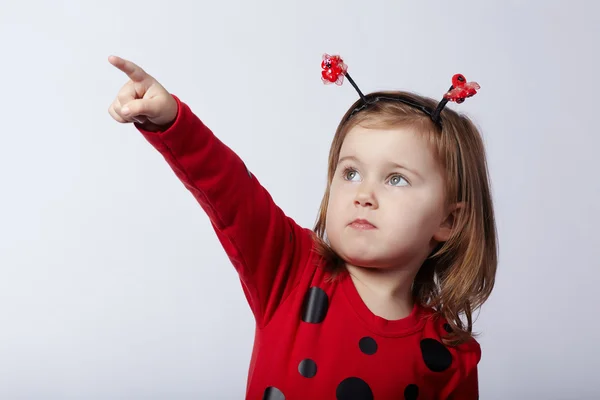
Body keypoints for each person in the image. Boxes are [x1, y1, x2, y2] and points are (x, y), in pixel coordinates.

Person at [107, 53, 497, 400]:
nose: (364, 195)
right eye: (351, 173)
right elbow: (229, 189)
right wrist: (174, 121)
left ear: (449, 220)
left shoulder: (450, 357)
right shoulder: (291, 270)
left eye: (396, 179)